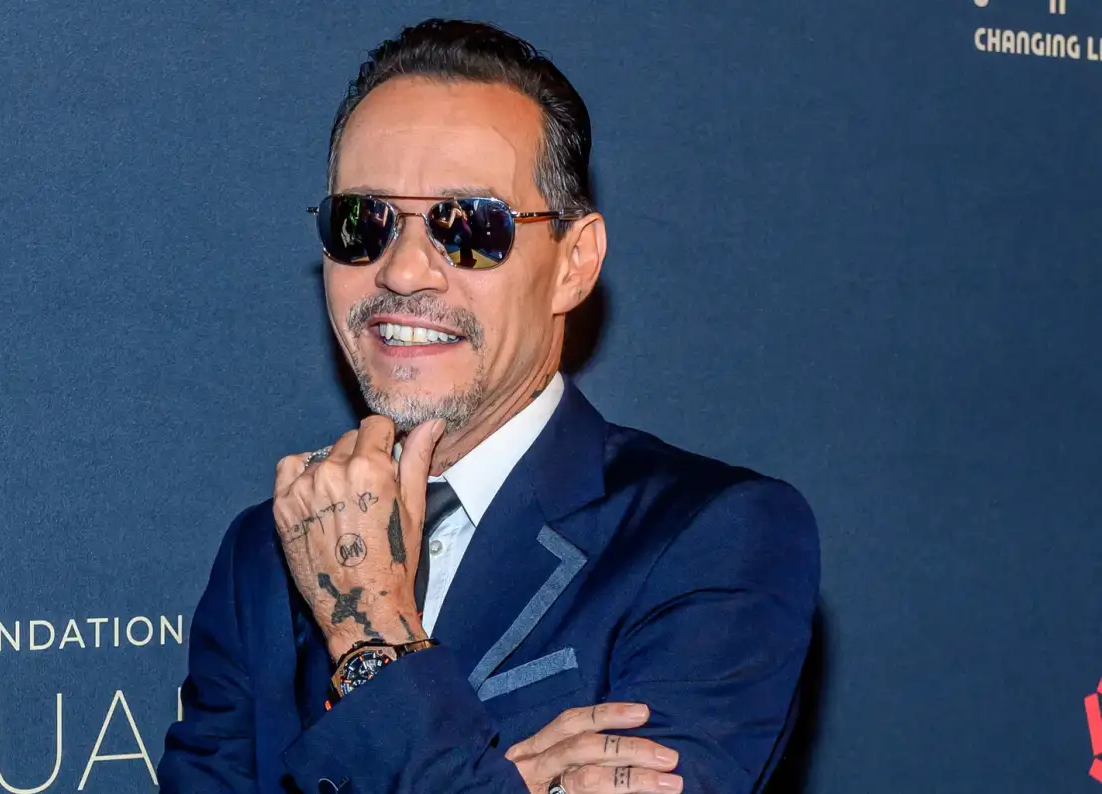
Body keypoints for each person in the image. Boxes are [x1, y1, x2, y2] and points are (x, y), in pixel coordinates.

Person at [158, 18, 820, 794]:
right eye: (362, 222)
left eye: (470, 226)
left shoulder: (714, 537)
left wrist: (368, 632)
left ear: (574, 264)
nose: (404, 271)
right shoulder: (267, 551)